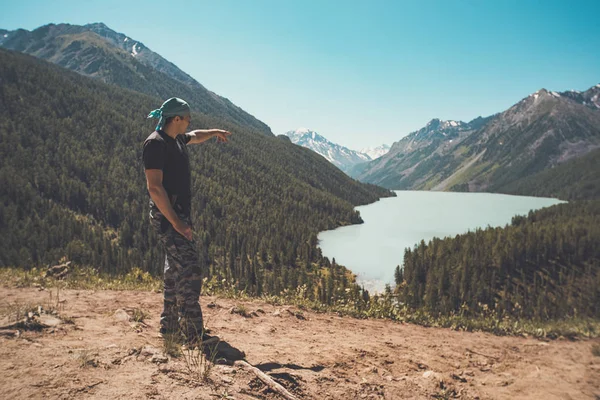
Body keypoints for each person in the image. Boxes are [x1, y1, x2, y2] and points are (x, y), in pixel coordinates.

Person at [143, 97, 231, 344]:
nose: (190, 122)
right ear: (177, 118)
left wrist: (214, 132)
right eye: (187, 118)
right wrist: (176, 223)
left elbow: (196, 135)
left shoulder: (176, 139)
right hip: (167, 215)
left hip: (177, 214)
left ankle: (170, 327)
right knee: (190, 270)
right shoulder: (155, 144)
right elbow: (155, 188)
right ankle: (193, 335)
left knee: (174, 271)